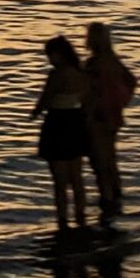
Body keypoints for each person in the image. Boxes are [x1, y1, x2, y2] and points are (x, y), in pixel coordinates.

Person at [30, 35, 91, 232]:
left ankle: (62, 220)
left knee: (59, 181)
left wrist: (35, 113)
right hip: (76, 123)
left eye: (50, 55)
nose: (49, 59)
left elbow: (46, 99)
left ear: (59, 55)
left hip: (57, 124)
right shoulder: (81, 73)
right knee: (77, 178)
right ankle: (81, 217)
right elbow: (88, 100)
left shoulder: (57, 75)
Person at [81, 21, 137, 223]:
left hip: (97, 117)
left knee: (99, 163)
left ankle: (107, 202)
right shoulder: (114, 60)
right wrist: (122, 101)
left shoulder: (93, 65)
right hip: (113, 115)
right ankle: (116, 197)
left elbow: (87, 91)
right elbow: (132, 80)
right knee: (111, 159)